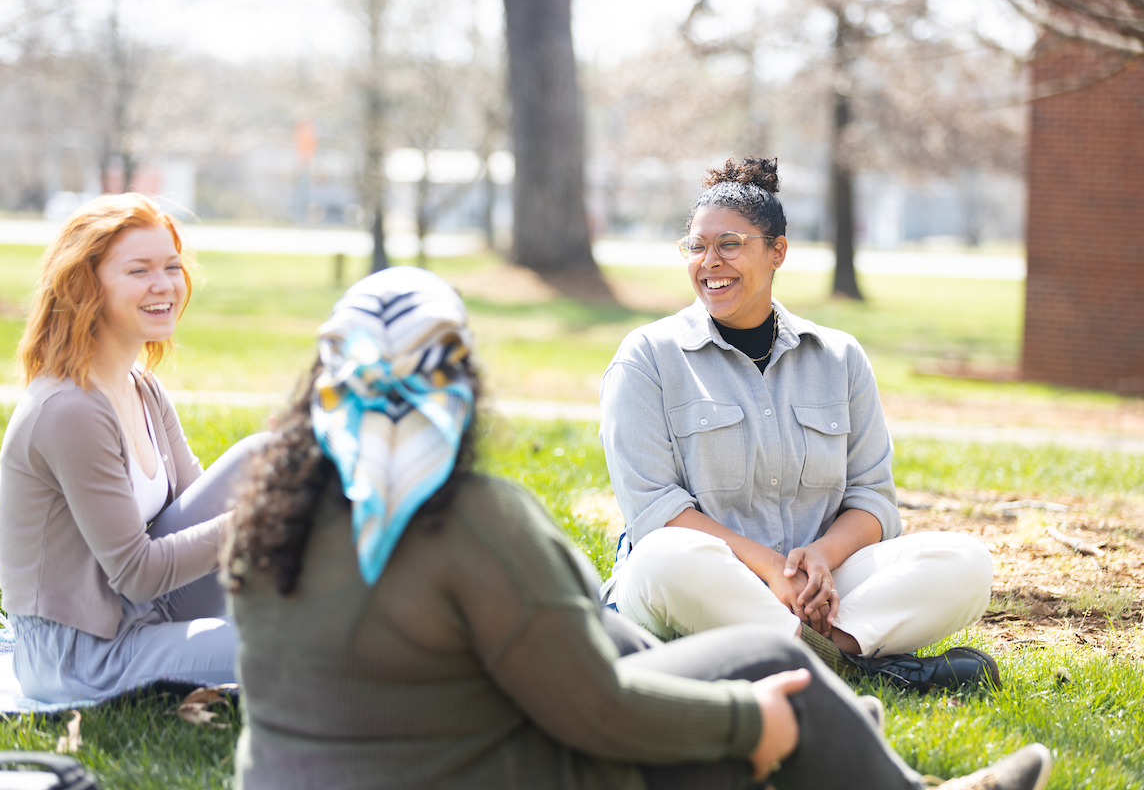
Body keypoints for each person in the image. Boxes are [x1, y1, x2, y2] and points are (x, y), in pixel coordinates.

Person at [225, 266, 1051, 790]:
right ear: (464, 386)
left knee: (707, 650)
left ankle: (854, 732)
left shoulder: (264, 513)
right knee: (765, 669)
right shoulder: (475, 519)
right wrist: (747, 721)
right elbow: (598, 712)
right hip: (487, 767)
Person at [599, 157, 998, 691]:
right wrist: (767, 568)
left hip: (818, 589)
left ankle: (816, 655)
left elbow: (873, 500)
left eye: (730, 245)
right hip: (704, 582)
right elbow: (654, 511)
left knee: (963, 561)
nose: (708, 262)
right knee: (665, 560)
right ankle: (859, 668)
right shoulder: (647, 357)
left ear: (777, 251)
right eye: (696, 246)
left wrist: (821, 559)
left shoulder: (840, 358)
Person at [0, 193, 263, 703]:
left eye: (171, 266)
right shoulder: (70, 409)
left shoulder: (142, 387)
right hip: (82, 652)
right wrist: (257, 520)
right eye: (138, 271)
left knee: (266, 457)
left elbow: (200, 509)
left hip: (145, 609)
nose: (164, 285)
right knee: (295, 641)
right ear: (84, 286)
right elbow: (138, 574)